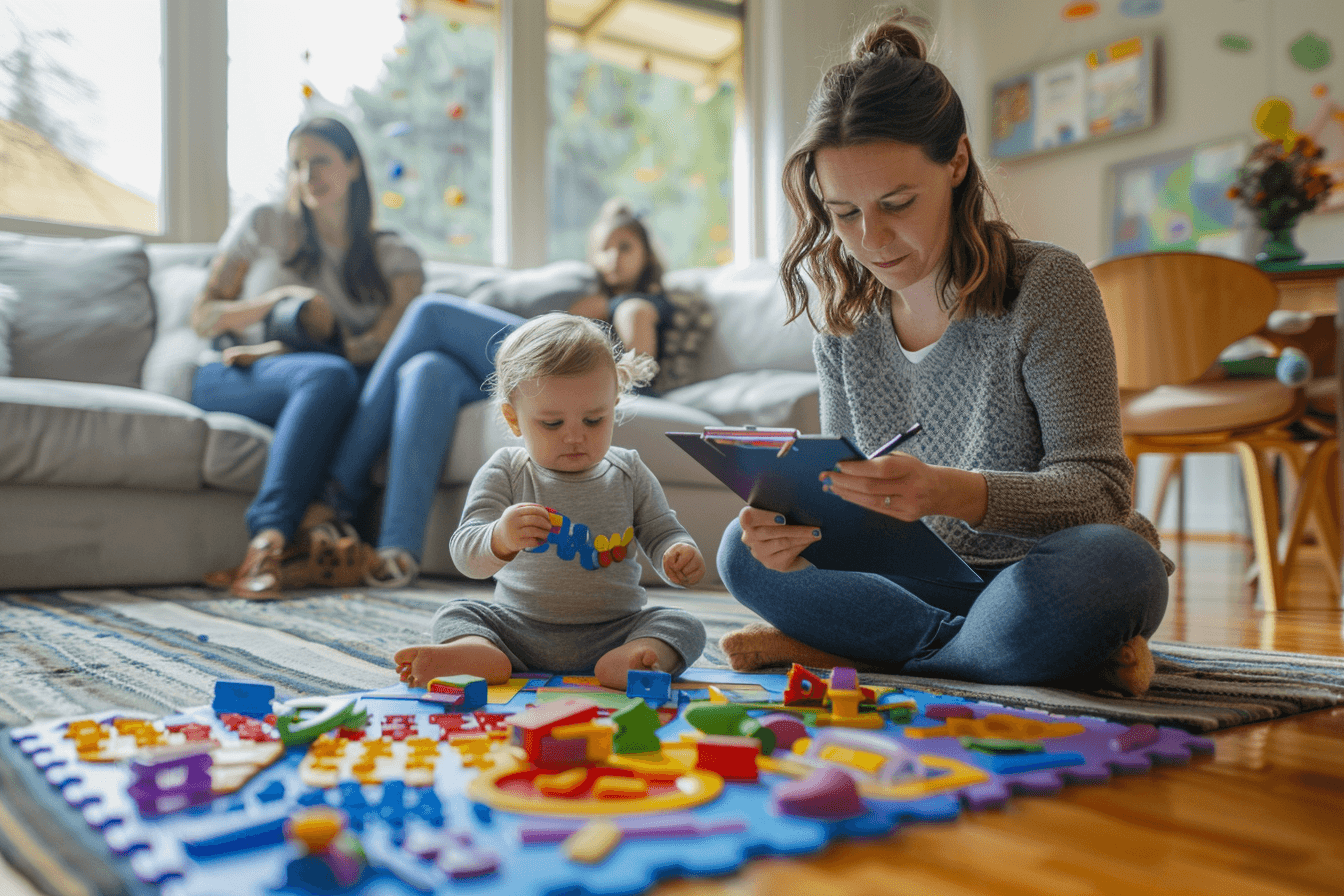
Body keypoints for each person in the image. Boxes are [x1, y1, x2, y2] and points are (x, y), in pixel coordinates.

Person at [714, 11, 1172, 697]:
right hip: (915, 582)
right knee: (741, 552)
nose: (871, 240)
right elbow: (848, 507)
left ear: (957, 162)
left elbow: (1100, 492)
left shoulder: (1048, 285)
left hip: (1039, 572)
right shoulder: (843, 324)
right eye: (843, 213)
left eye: (897, 203)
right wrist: (797, 528)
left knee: (1117, 565)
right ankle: (995, 656)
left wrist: (950, 491)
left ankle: (875, 649)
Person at [193, 116, 522, 597]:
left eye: (320, 161)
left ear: (352, 166)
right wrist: (280, 300)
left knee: (423, 367)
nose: (308, 176)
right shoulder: (266, 223)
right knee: (342, 367)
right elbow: (202, 316)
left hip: (331, 381)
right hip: (237, 369)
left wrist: (305, 341)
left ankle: (392, 555)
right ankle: (284, 529)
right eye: (297, 165)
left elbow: (385, 346)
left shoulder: (391, 254)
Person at [394, 313, 707, 691]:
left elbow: (661, 531)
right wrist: (500, 537)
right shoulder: (507, 470)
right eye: (553, 424)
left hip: (614, 632)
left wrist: (677, 550)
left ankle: (634, 660)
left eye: (594, 420)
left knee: (683, 624)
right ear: (514, 419)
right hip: (516, 630)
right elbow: (465, 552)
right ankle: (479, 653)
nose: (574, 437)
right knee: (457, 613)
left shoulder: (629, 471)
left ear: (614, 405)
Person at [566, 198, 674, 370]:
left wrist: (606, 307)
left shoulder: (644, 305)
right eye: (604, 249)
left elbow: (633, 311)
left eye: (625, 248)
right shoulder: (591, 299)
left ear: (647, 254)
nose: (614, 257)